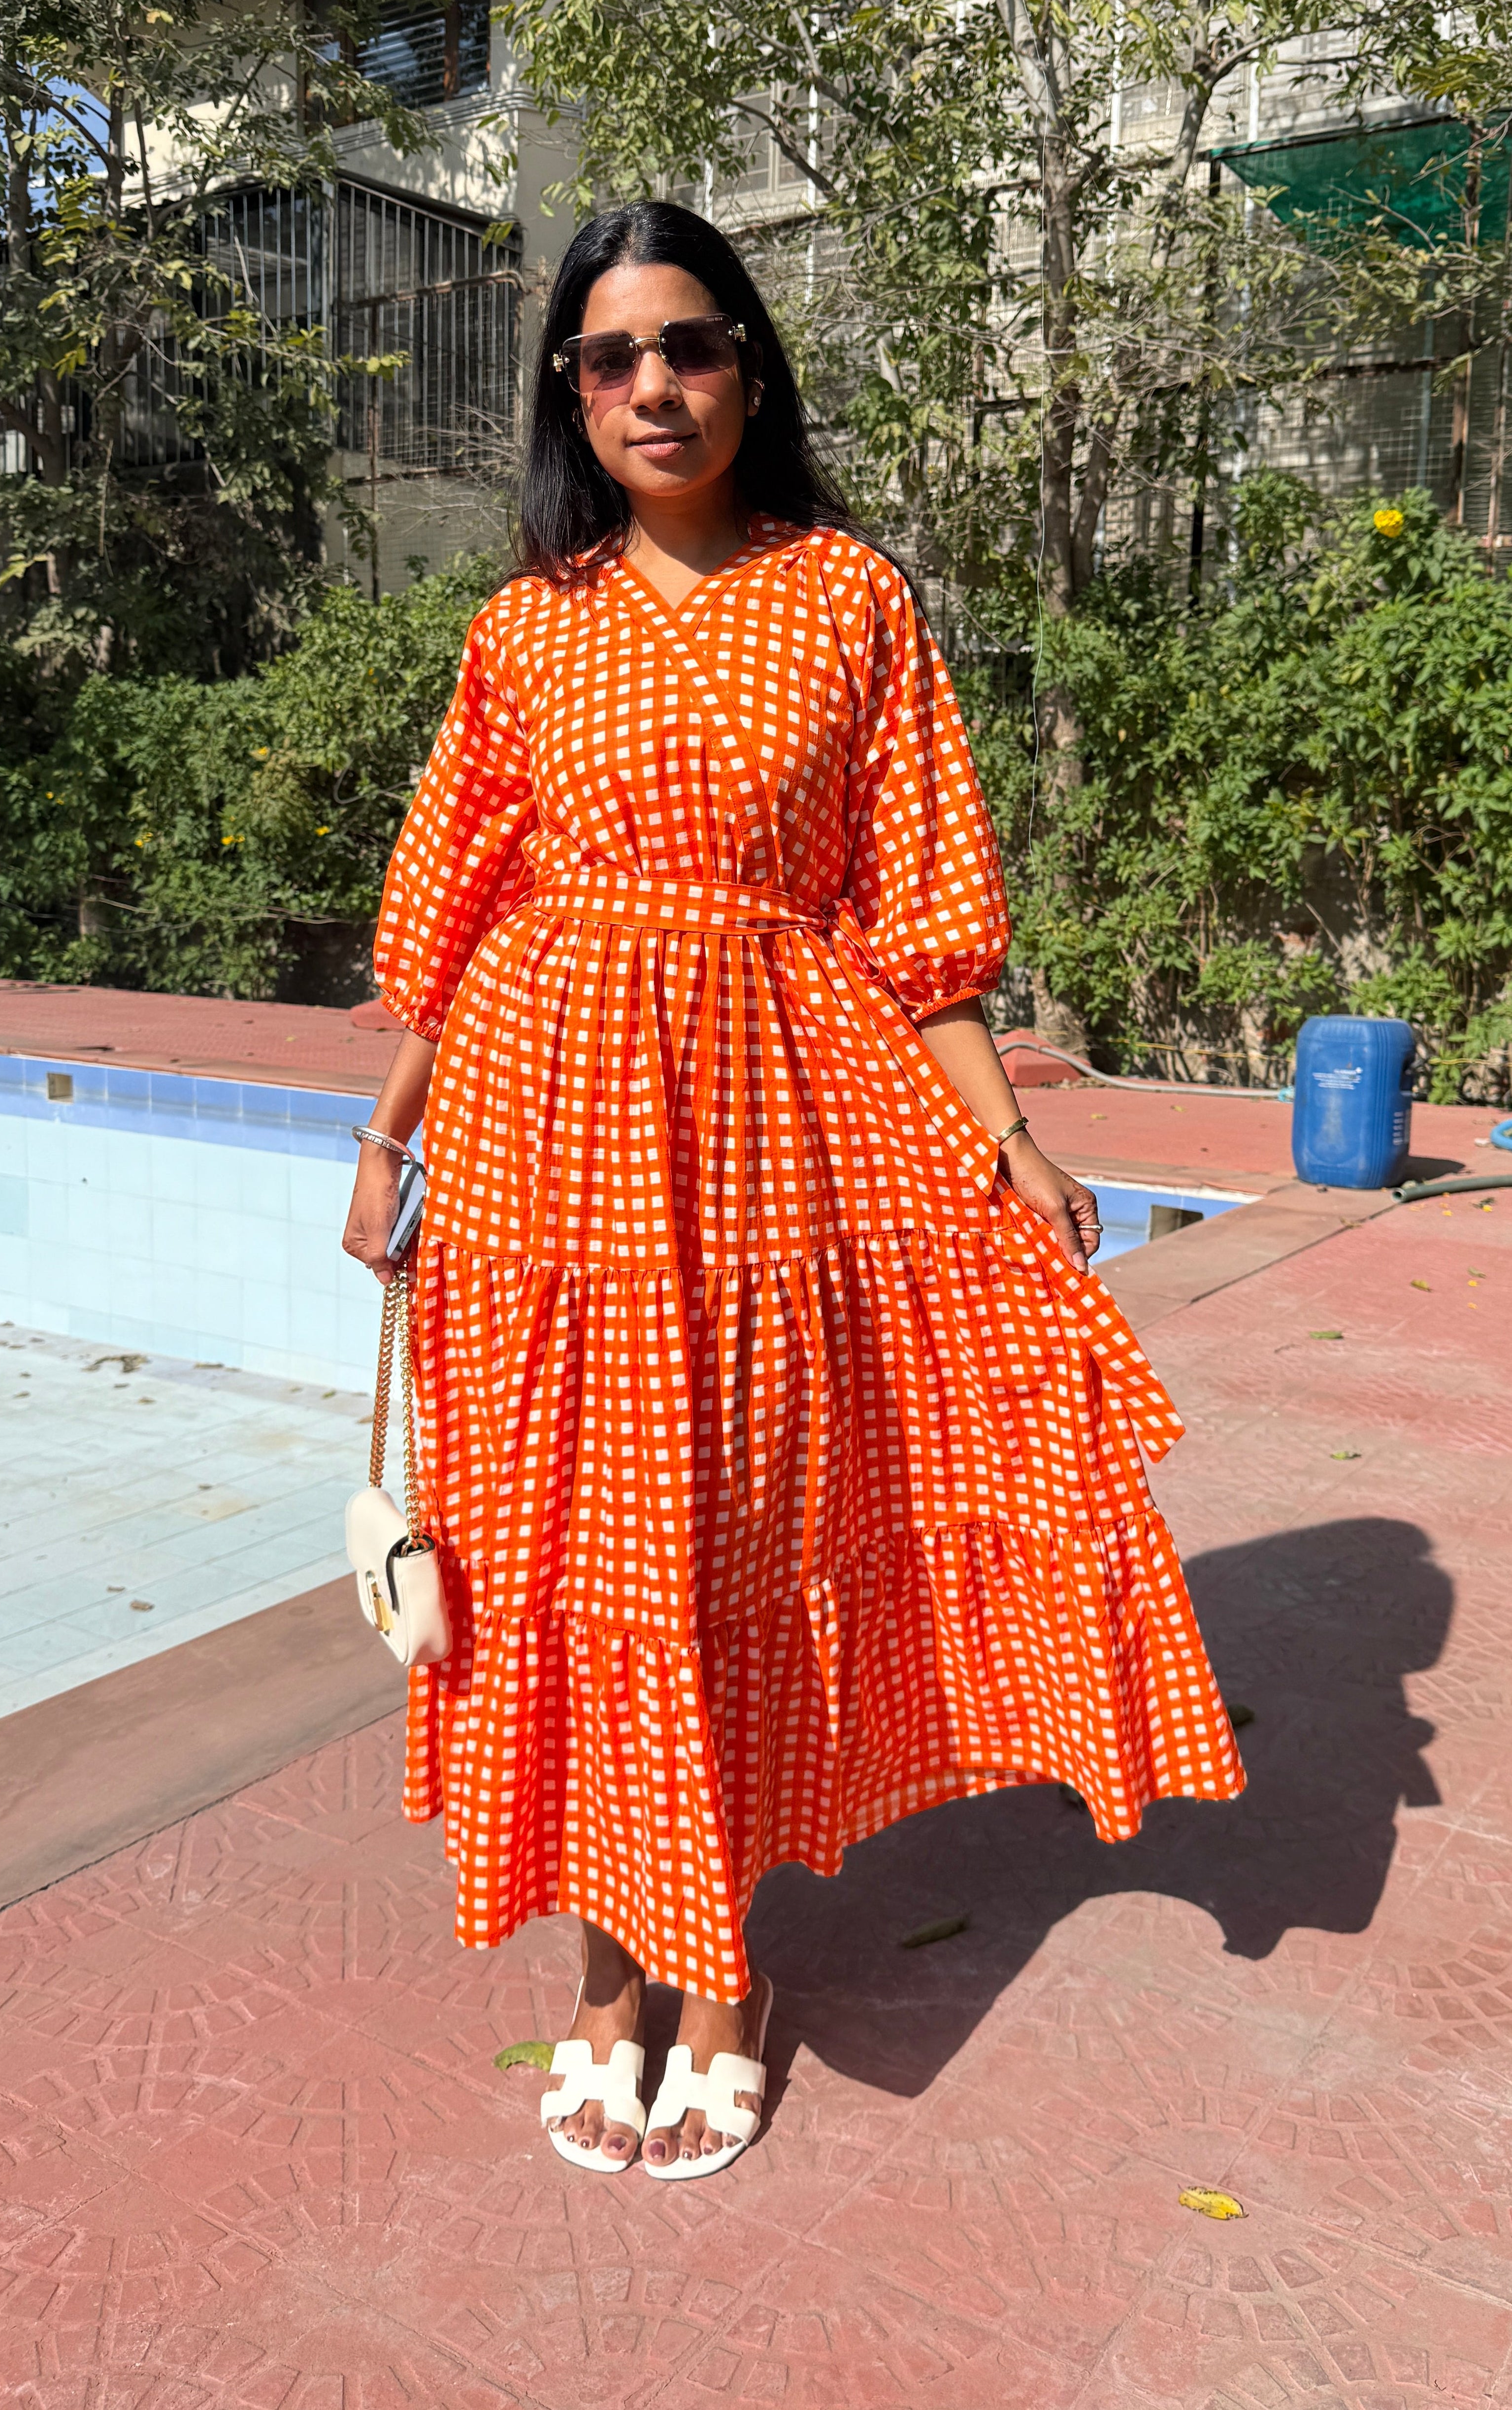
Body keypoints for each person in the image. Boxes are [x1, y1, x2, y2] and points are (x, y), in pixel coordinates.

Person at [341, 200, 1244, 2180]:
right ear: (572, 396)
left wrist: (1006, 1143)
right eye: (611, 356)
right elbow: (453, 912)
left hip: (770, 1137)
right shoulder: (525, 628)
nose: (653, 386)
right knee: (567, 1553)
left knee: (739, 1542)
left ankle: (721, 1970)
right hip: (541, 1141)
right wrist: (389, 1143)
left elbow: (921, 922)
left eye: (691, 345)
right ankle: (609, 1968)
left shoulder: (848, 598)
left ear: (750, 367)